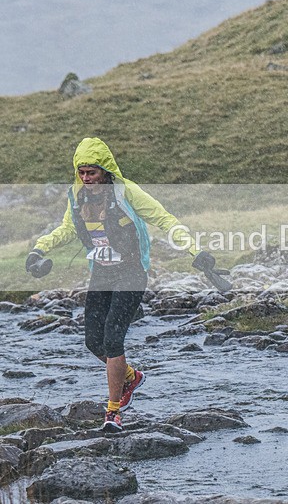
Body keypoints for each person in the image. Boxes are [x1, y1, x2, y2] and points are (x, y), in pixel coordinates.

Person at [25, 137, 221, 432]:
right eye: (81, 172)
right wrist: (39, 249)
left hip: (131, 273)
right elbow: (67, 228)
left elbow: (165, 220)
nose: (86, 178)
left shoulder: (126, 192)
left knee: (112, 339)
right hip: (101, 273)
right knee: (93, 341)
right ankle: (131, 376)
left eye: (91, 172)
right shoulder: (76, 196)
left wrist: (196, 251)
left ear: (105, 171)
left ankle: (113, 412)